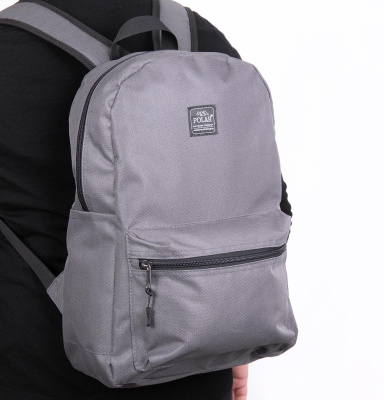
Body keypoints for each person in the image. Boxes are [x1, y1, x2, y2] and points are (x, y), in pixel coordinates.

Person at [0, 1, 291, 399]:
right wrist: (228, 338)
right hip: (193, 366)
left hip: (36, 374)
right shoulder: (200, 39)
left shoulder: (9, 47)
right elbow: (267, 206)